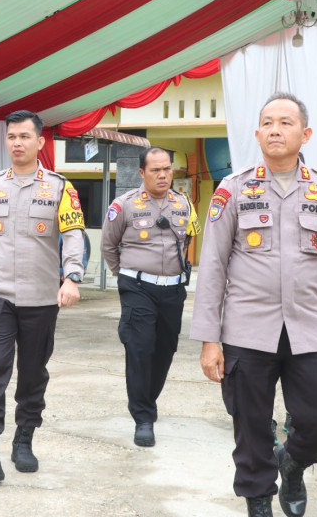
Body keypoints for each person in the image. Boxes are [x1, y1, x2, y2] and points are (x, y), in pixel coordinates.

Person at [191, 92, 317, 517]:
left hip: (310, 329)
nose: (275, 130)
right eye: (267, 122)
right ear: (256, 133)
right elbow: (211, 267)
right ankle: (258, 502)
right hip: (248, 330)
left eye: (285, 123)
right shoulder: (232, 190)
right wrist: (209, 339)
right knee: (250, 426)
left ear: (304, 134)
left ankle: (294, 461)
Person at [0, 110, 85, 484]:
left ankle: (24, 440)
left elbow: (74, 233)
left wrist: (72, 276)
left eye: (24, 136)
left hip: (42, 299)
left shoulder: (61, 187)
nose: (17, 142)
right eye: (12, 136)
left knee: (32, 374)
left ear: (39, 142)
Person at [100, 146, 200, 447]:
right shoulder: (125, 205)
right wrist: (128, 276)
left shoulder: (183, 204)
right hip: (137, 288)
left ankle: (148, 400)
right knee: (140, 347)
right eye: (155, 170)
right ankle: (143, 417)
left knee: (165, 349)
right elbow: (108, 246)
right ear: (142, 173)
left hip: (172, 288)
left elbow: (188, 240)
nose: (162, 175)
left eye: (167, 168)